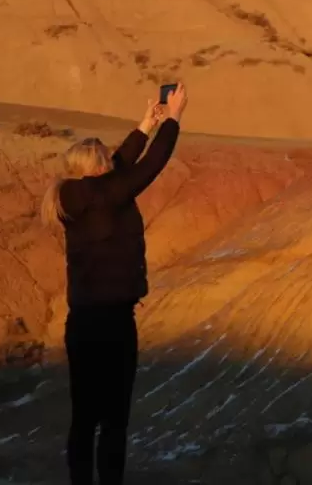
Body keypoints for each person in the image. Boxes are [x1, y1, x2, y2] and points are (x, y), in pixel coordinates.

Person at [40, 82, 189, 485]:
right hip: (114, 324)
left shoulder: (75, 196)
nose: (111, 163)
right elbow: (148, 166)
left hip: (83, 324)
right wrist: (173, 119)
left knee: (84, 419)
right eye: (105, 160)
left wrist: (146, 123)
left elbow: (122, 164)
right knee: (114, 421)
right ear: (96, 168)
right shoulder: (109, 195)